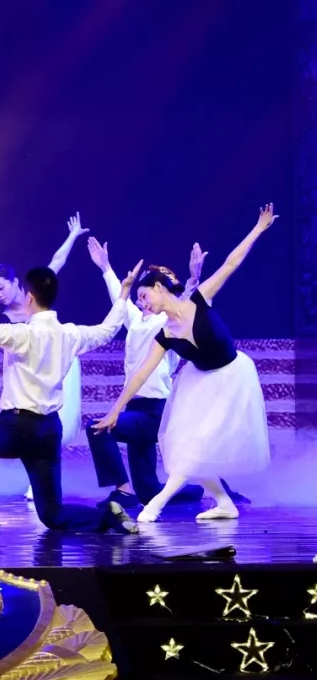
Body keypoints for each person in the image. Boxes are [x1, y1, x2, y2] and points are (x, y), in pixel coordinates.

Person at [91, 205, 277, 522]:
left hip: (232, 376)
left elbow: (231, 264)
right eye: (138, 300)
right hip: (200, 382)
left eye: (144, 296)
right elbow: (140, 375)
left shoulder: (198, 300)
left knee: (196, 448)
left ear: (159, 288)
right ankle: (223, 503)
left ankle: (155, 506)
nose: (142, 303)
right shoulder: (163, 333)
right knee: (188, 448)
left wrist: (259, 228)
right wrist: (115, 411)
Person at [0, 254, 139, 533]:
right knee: (52, 514)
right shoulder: (70, 334)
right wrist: (123, 295)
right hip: (48, 430)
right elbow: (108, 331)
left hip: (15, 428)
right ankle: (107, 517)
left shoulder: (23, 334)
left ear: (29, 297)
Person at [0, 214, 90, 499]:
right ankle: (38, 483)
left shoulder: (35, 294)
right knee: (36, 422)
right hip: (30, 373)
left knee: (58, 420)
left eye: (1, 287)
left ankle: (45, 482)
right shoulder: (6, 319)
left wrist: (72, 236)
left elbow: (56, 262)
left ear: (15, 283)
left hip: (59, 362)